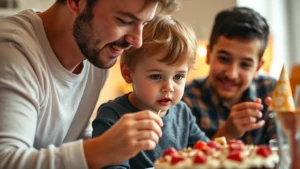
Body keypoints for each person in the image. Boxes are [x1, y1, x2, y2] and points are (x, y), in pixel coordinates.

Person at [0, 0, 180, 169]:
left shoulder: (94, 54)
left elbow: (70, 137)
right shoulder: (11, 51)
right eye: (124, 21)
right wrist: (99, 150)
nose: (136, 41)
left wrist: (108, 143)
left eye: (144, 24)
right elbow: (6, 160)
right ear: (76, 2)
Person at [92, 15, 210, 169]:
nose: (169, 87)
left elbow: (208, 153)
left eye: (178, 76)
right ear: (128, 73)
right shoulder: (113, 116)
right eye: (156, 76)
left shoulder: (182, 112)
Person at [183, 7, 277, 145]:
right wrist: (228, 133)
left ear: (258, 68)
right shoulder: (185, 100)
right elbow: (182, 161)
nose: (231, 74)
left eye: (245, 65)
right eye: (224, 59)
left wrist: (288, 126)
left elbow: (285, 153)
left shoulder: (272, 91)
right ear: (209, 55)